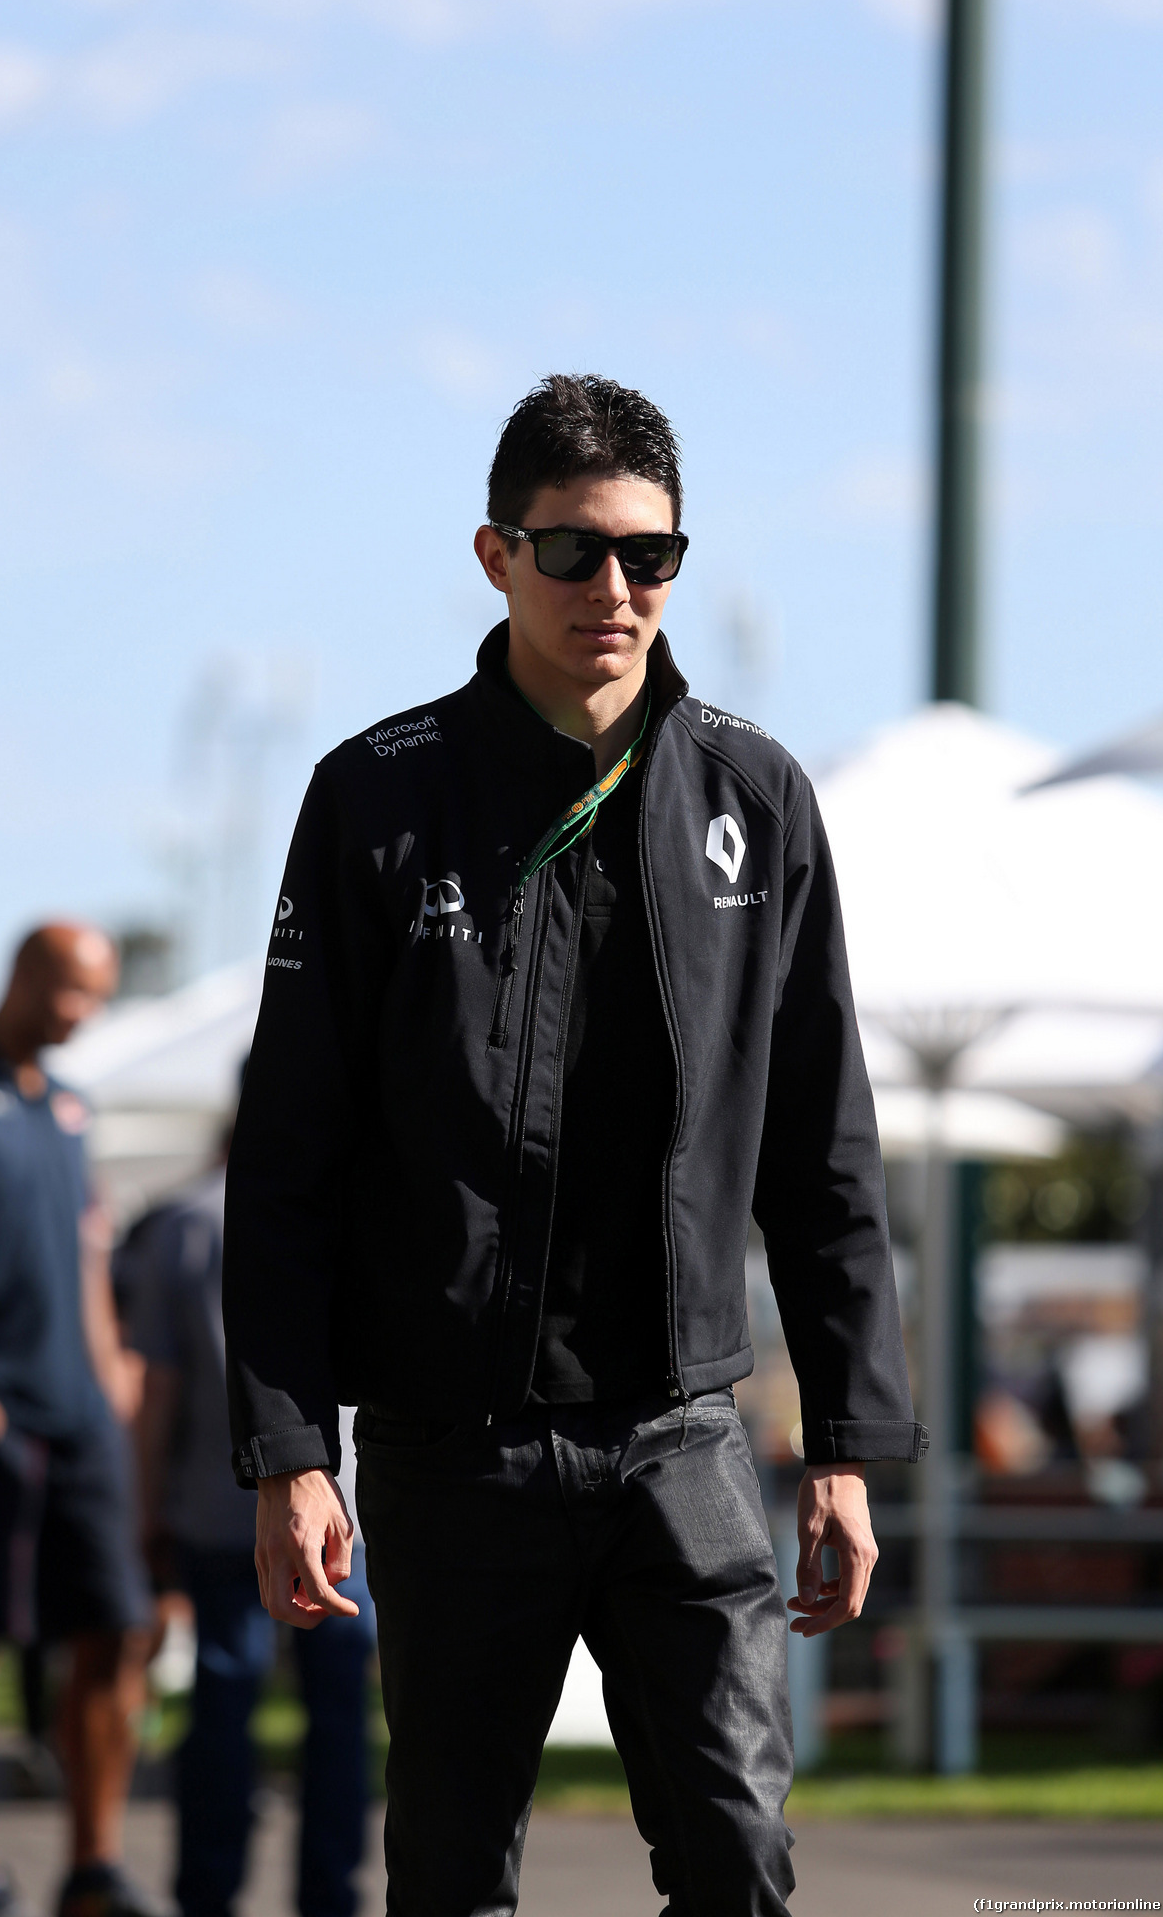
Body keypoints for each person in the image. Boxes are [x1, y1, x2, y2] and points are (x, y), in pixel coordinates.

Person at [223, 374, 926, 1915]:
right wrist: (287, 1452)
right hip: (446, 1442)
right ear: (496, 557)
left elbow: (828, 1153)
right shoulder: (374, 799)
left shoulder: (758, 795)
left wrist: (856, 1449)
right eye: (575, 553)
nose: (617, 590)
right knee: (456, 1874)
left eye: (651, 556)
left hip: (682, 1438)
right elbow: (286, 1159)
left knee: (740, 1861)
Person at [0, 927, 160, 1917]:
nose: (81, 1014)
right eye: (69, 991)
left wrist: (111, 1370)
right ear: (25, 975)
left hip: (82, 1410)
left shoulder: (70, 1103)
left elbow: (89, 1246)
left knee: (120, 1629)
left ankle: (91, 1868)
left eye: (96, 997)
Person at [131, 1136, 375, 1917]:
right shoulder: (348, 1217)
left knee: (222, 1702)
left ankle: (207, 1890)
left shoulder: (185, 1223)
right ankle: (328, 1894)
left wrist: (146, 1506)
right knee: (338, 1716)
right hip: (339, 1513)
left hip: (217, 1505)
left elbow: (157, 1388)